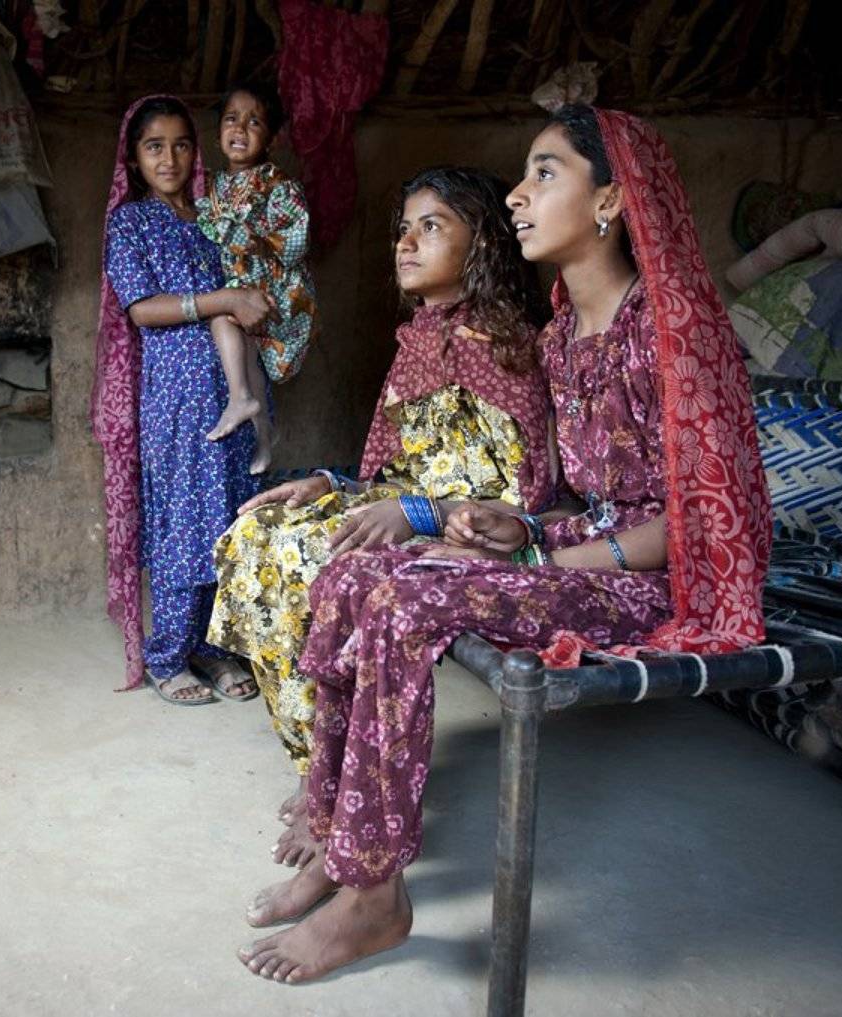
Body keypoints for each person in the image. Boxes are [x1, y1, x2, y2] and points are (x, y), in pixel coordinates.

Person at [237, 105, 772, 983]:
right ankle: (340, 837)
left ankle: (376, 895)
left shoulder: (674, 331)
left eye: (545, 173)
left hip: (649, 580)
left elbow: (699, 525)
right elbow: (571, 494)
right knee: (352, 572)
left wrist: (549, 559)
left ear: (612, 201)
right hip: (579, 550)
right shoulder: (562, 340)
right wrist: (517, 526)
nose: (519, 195)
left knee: (405, 599)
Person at [208, 167, 553, 867]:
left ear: (483, 243)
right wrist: (329, 484)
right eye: (404, 227)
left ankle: (344, 786)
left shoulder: (509, 346)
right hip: (409, 510)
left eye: (432, 226)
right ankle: (319, 768)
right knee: (253, 535)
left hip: (469, 534)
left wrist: (418, 511)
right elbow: (390, 475)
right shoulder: (420, 339)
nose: (406, 241)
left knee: (310, 559)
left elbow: (525, 503)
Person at [94, 95, 272, 705]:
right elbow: (142, 308)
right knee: (183, 519)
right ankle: (168, 655)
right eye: (153, 146)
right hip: (176, 394)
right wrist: (221, 301)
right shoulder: (131, 223)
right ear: (134, 158)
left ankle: (216, 649)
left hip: (236, 388)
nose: (168, 158)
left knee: (231, 516)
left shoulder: (216, 218)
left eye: (180, 145)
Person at [197, 82, 320, 475]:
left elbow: (294, 245)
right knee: (241, 346)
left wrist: (248, 236)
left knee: (231, 321)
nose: (240, 129)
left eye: (254, 122)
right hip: (240, 293)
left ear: (271, 137)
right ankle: (261, 429)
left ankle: (249, 410)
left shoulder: (279, 186)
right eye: (232, 119)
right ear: (217, 132)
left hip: (275, 293)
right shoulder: (211, 186)